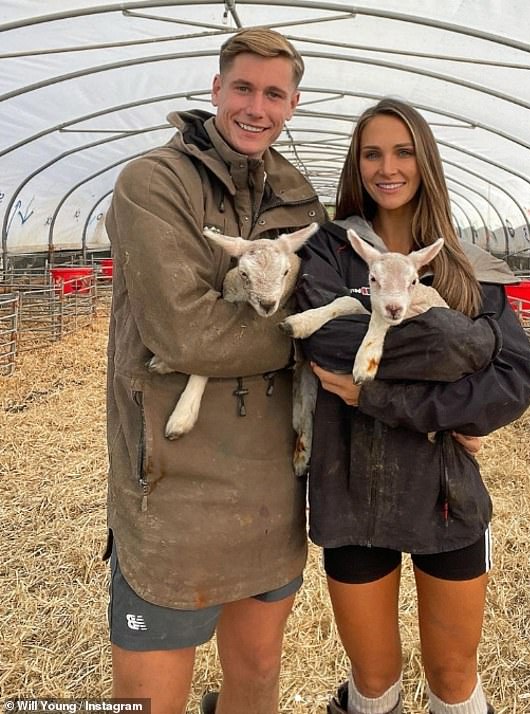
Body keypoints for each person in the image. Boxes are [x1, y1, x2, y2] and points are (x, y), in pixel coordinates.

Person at [104, 28, 327, 714]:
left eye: (273, 94)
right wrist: (297, 337)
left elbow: (333, 307)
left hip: (270, 484)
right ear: (215, 91)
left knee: (257, 671)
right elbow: (186, 331)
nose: (256, 107)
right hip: (172, 481)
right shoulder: (152, 183)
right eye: (243, 88)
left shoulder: (298, 198)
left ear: (292, 105)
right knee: (151, 696)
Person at [294, 98, 530, 714]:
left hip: (446, 488)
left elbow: (513, 379)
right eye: (372, 153)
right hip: (349, 486)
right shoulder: (330, 251)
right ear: (357, 164)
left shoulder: (464, 263)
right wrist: (464, 345)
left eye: (403, 152)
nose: (388, 167)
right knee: (374, 681)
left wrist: (378, 393)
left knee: (454, 677)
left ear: (425, 161)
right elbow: (328, 341)